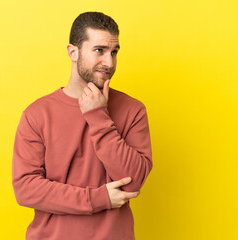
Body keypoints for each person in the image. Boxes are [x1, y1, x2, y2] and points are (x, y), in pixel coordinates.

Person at [12, 11, 153, 240]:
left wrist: (98, 116)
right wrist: (99, 199)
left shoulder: (133, 110)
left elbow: (133, 180)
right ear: (73, 52)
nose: (109, 62)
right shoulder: (37, 114)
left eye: (114, 52)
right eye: (99, 50)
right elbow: (26, 189)